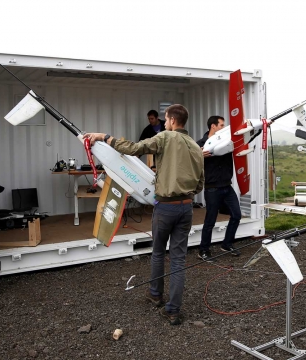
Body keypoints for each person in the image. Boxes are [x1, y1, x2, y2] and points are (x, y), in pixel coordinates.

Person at [84, 104, 204, 325]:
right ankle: (173, 310)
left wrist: (104, 137)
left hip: (166, 207)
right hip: (186, 207)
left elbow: (133, 148)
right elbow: (200, 184)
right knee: (178, 259)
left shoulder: (165, 137)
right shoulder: (196, 147)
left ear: (172, 121)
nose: (164, 122)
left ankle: (155, 294)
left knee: (158, 252)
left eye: (166, 119)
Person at [196, 116, 242, 262]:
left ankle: (227, 244)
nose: (224, 127)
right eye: (221, 125)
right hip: (212, 188)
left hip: (227, 186)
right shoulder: (200, 144)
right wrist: (199, 155)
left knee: (236, 215)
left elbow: (244, 139)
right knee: (210, 220)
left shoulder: (227, 141)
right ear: (213, 126)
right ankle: (203, 250)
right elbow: (188, 160)